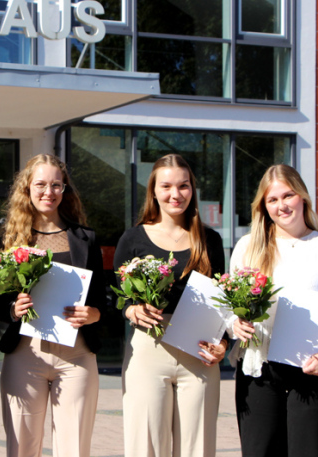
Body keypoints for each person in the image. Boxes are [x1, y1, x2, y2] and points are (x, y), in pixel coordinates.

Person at [227, 164, 318, 457]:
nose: (281, 205)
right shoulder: (248, 247)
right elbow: (229, 307)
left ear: (303, 197)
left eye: (288, 196)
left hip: (313, 368)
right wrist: (235, 323)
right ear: (263, 206)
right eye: (272, 200)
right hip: (259, 369)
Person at [113, 153, 227, 457]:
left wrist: (223, 343)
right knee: (146, 446)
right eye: (166, 186)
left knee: (198, 448)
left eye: (183, 186)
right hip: (149, 351)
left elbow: (221, 301)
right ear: (153, 190)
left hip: (199, 352)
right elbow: (119, 298)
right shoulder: (133, 238)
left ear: (192, 190)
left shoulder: (210, 240)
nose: (175, 194)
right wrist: (131, 310)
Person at [0, 154, 106, 457]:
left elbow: (103, 299)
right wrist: (12, 309)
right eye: (41, 184)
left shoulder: (85, 238)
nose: (49, 192)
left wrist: (94, 314)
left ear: (65, 189)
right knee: (21, 448)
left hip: (77, 356)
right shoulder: (11, 237)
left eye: (57, 185)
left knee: (74, 449)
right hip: (25, 354)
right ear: (27, 188)